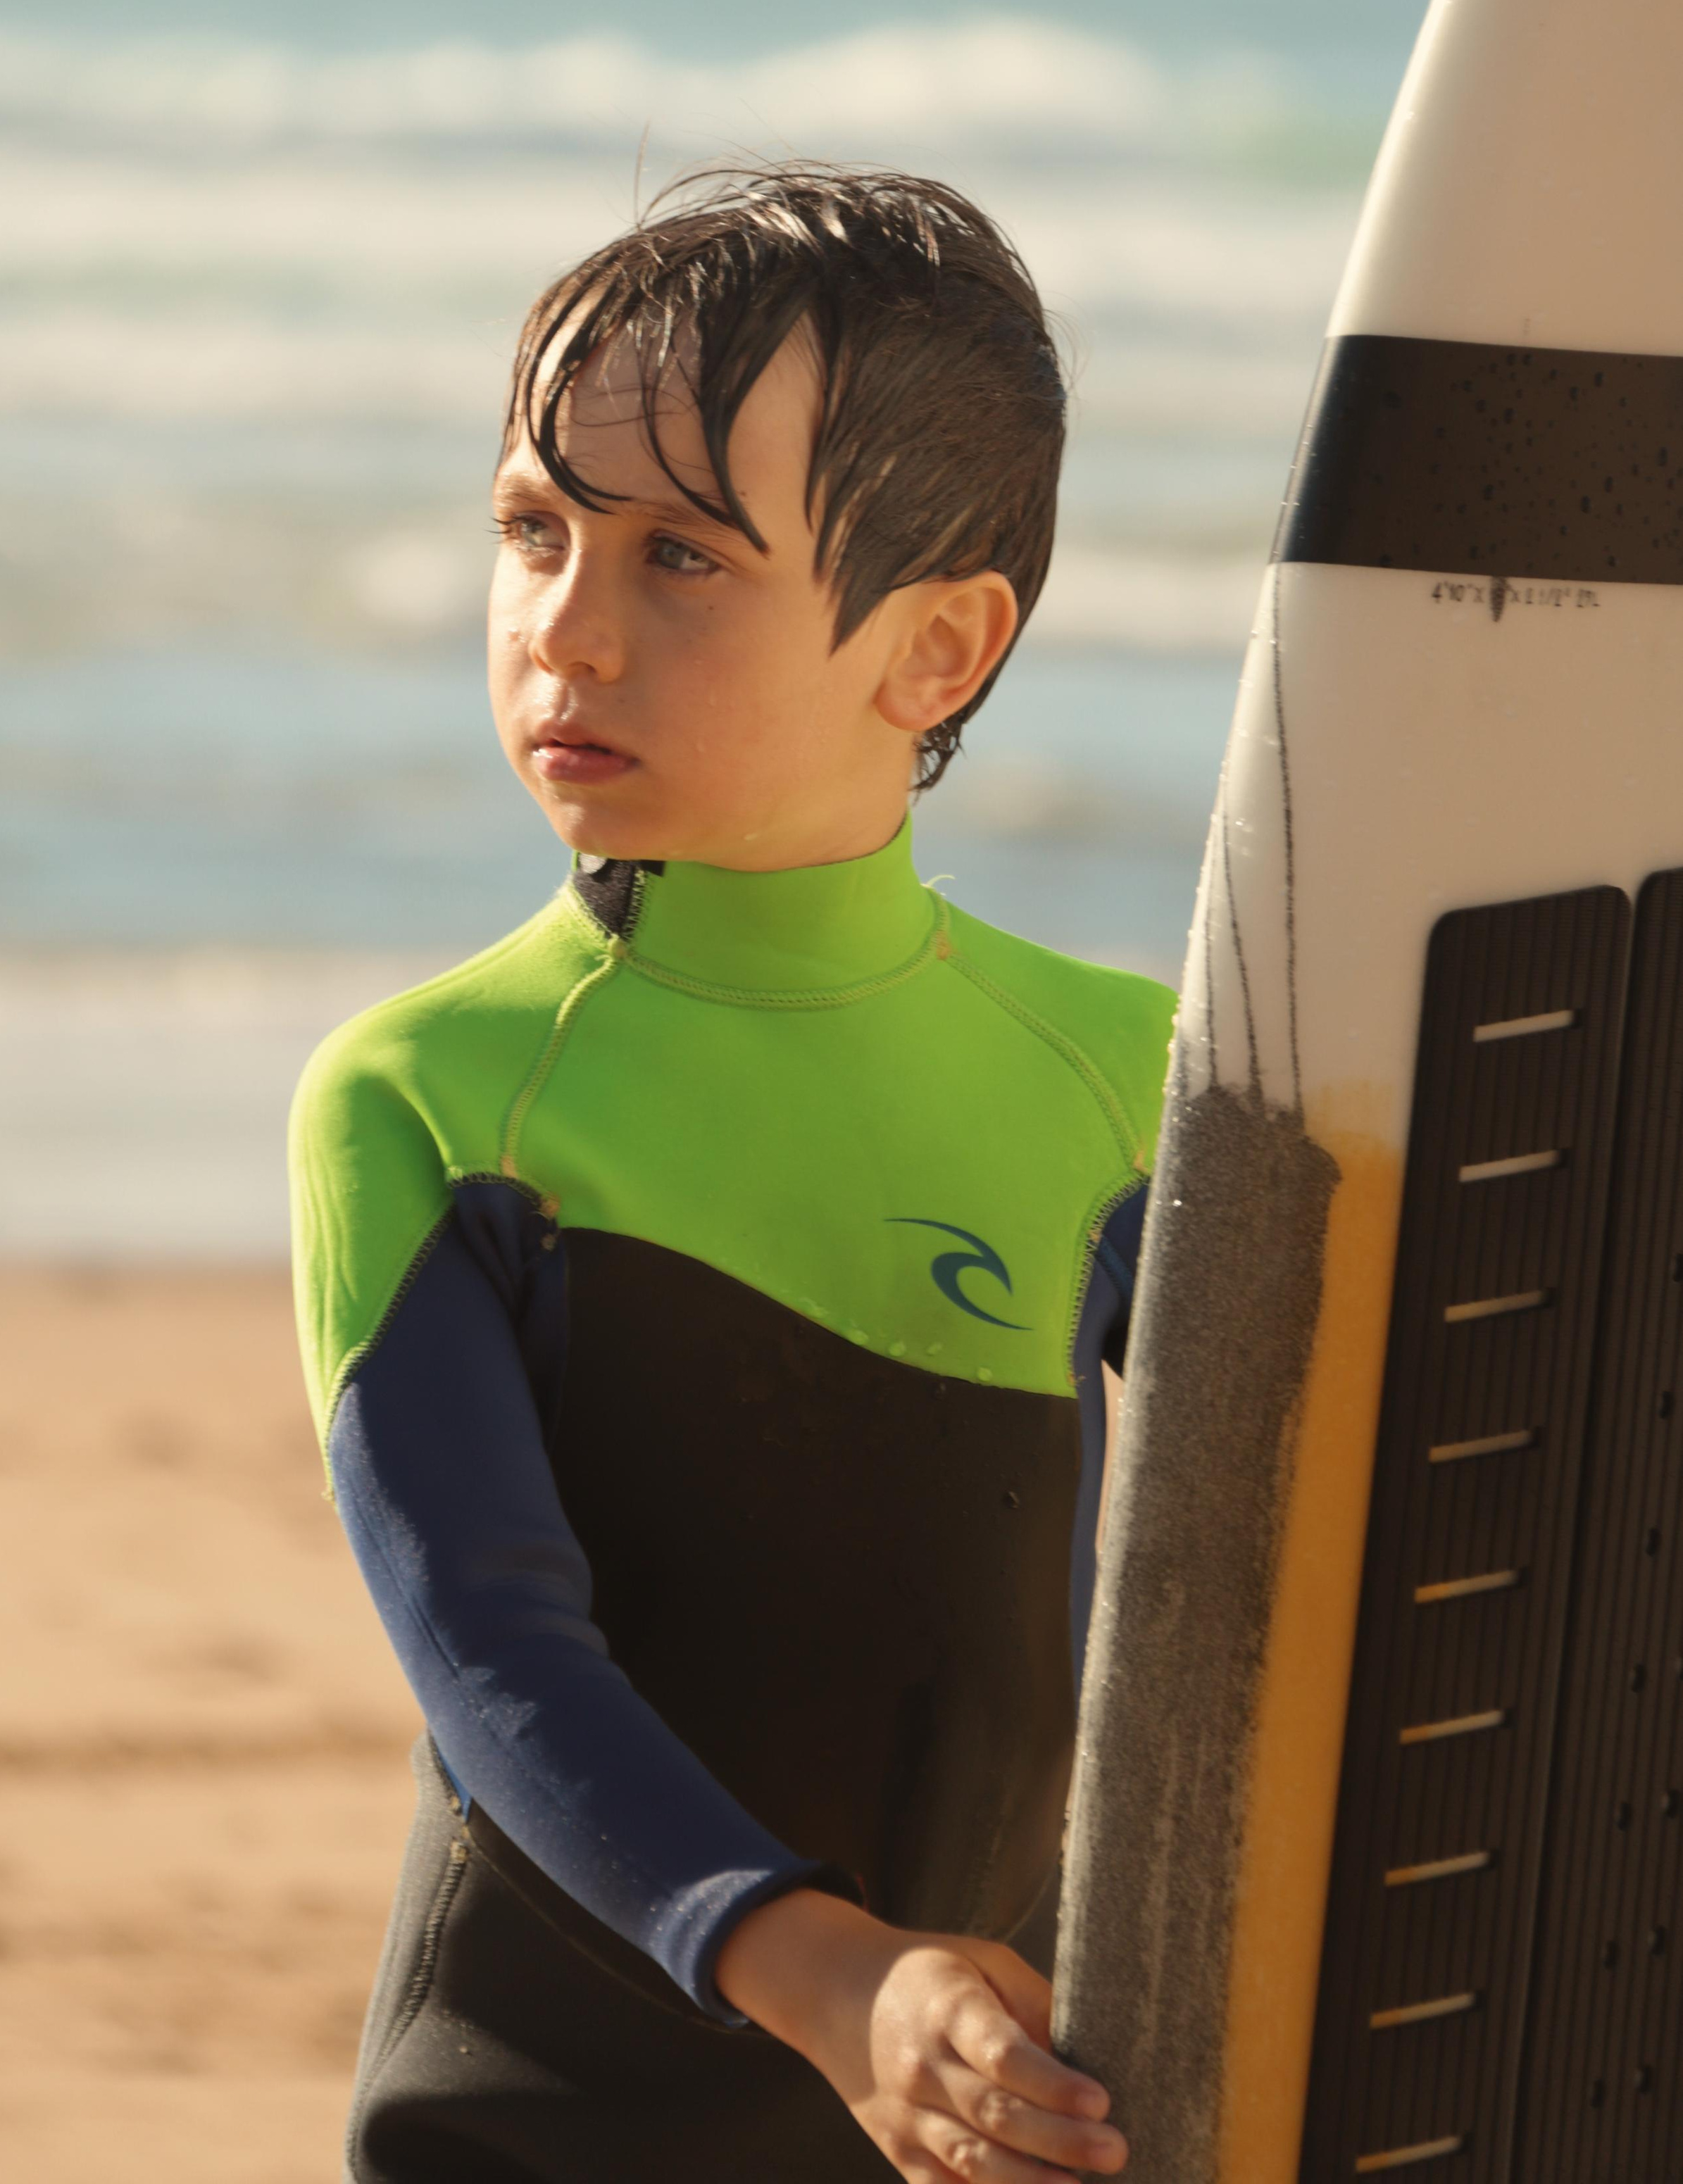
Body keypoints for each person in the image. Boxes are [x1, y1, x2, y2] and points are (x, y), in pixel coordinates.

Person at [289, 165, 1173, 2183]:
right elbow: (496, 1651)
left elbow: (1269, 1591)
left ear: (936, 649)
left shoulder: (1128, 1082)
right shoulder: (438, 1100)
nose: (566, 632)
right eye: (534, 531)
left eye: (683, 556)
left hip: (986, 2111)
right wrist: (829, 1973)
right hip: (535, 2124)